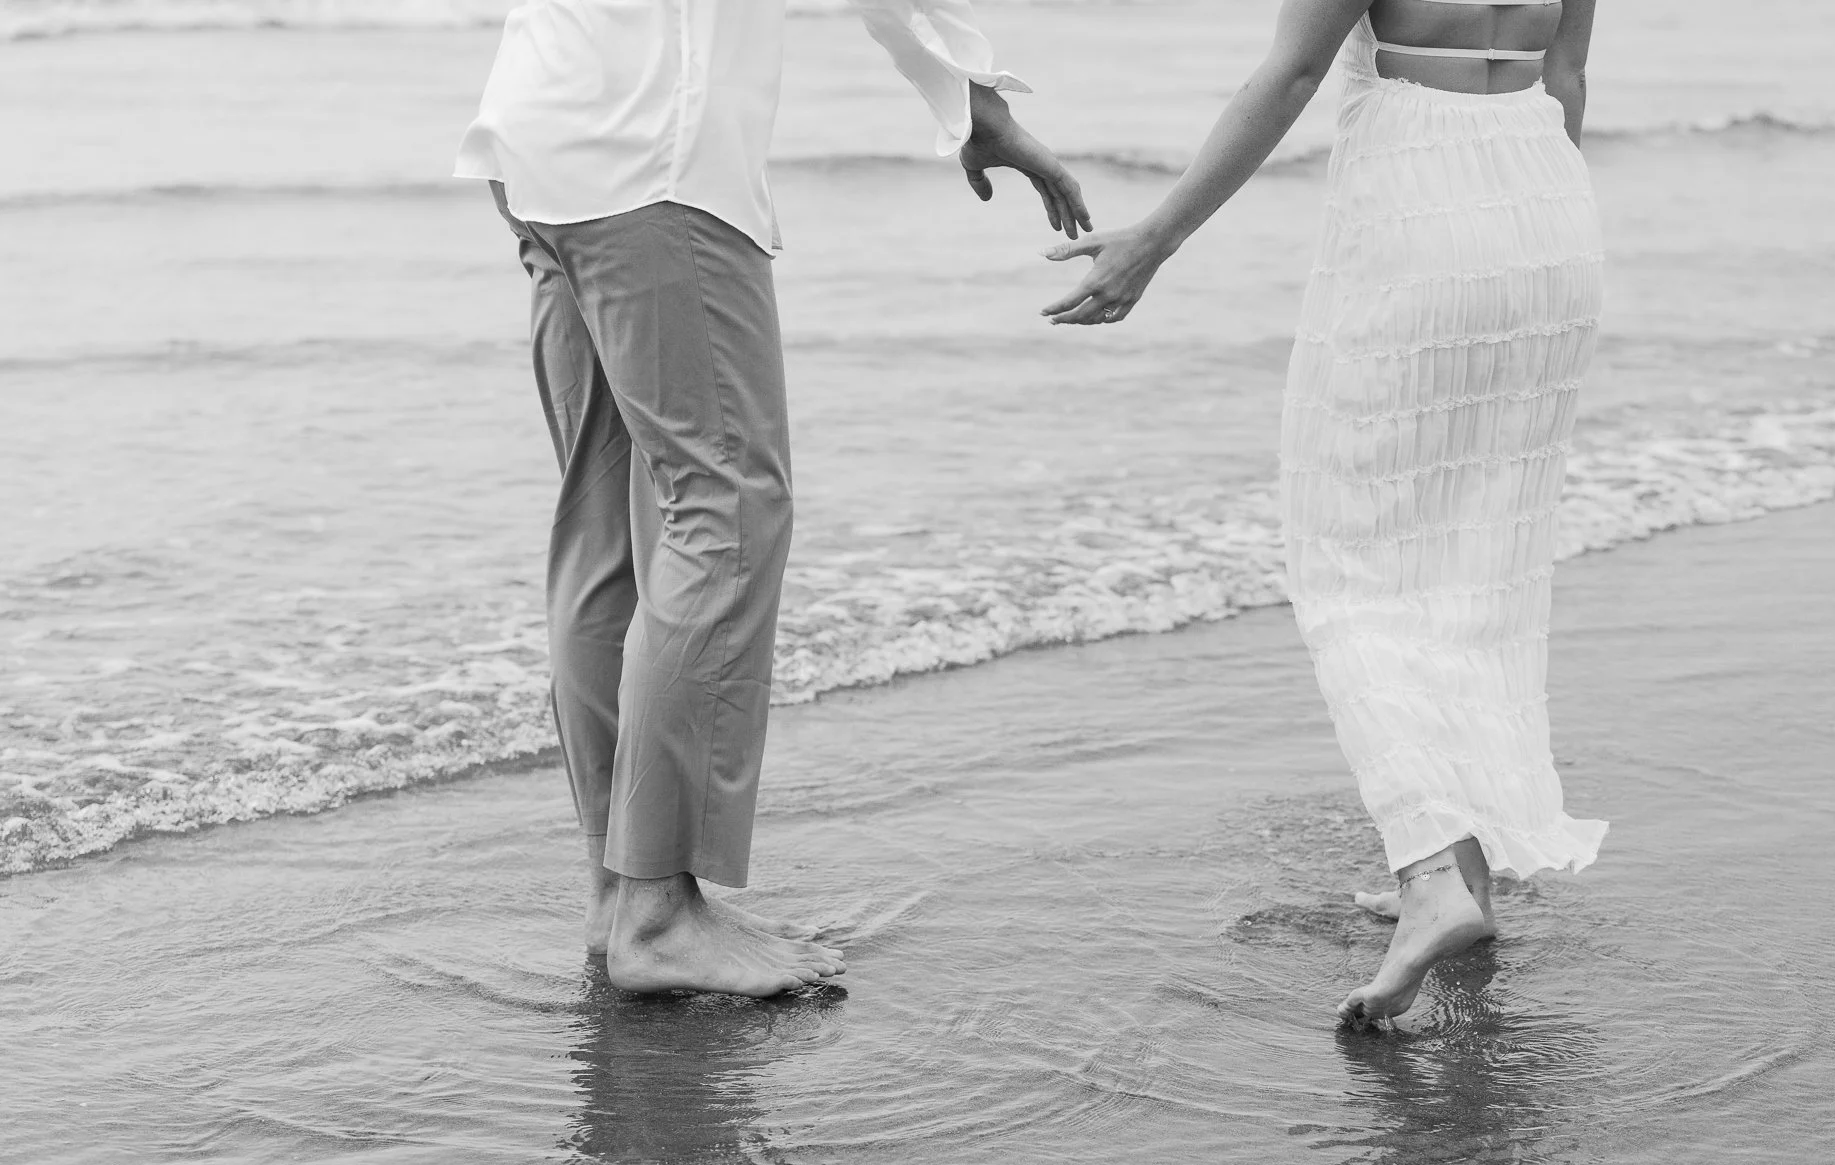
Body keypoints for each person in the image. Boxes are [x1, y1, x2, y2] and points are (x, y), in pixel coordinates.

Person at [455, 0, 1090, 996]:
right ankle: (657, 913)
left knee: (605, 522)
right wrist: (965, 97)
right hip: (651, 160)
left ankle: (621, 899)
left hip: (541, 144)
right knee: (726, 509)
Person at [1041, 0, 1604, 1023]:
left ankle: (1430, 873)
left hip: (1420, 221)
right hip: (1549, 224)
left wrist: (1154, 241)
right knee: (1482, 562)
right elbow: (1565, 80)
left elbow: (1290, 75)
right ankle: (1466, 874)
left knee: (1350, 562)